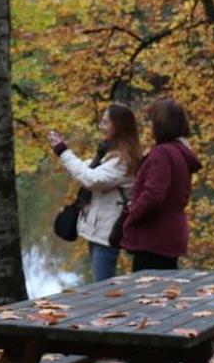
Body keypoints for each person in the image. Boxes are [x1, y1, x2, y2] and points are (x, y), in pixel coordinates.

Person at [46, 103, 142, 281]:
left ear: (118, 126)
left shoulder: (123, 160)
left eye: (106, 123)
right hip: (99, 231)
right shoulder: (110, 154)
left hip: (107, 233)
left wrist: (63, 151)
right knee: (102, 285)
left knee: (103, 286)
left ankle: (109, 309)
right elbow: (85, 169)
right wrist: (64, 150)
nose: (101, 127)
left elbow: (90, 179)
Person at [121, 98, 201, 271]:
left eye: (152, 120)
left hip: (154, 238)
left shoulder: (162, 153)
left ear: (160, 123)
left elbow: (154, 195)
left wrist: (131, 216)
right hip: (170, 235)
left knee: (146, 293)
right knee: (165, 293)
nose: (150, 125)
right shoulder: (178, 152)